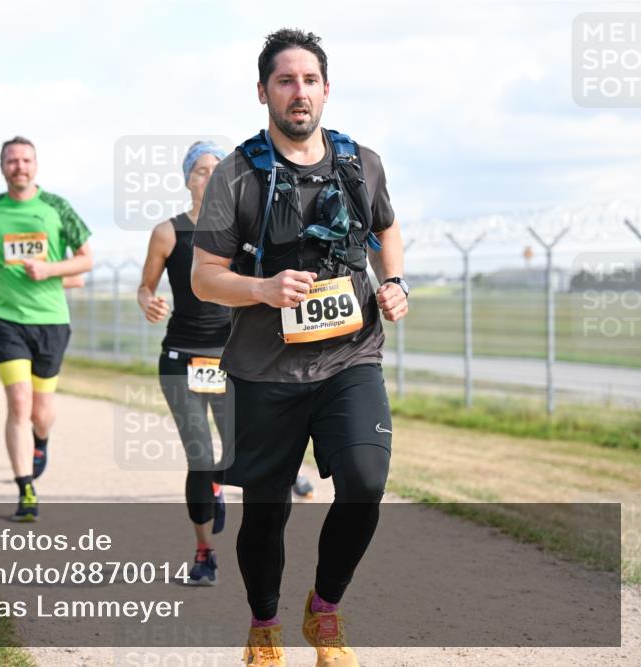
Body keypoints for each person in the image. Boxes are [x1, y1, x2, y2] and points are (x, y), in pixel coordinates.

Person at [191, 30, 408, 667]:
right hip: (265, 371)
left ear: (326, 90)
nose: (299, 92)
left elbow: (387, 233)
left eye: (309, 80)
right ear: (263, 92)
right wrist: (261, 286)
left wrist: (392, 282)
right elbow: (206, 275)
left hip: (350, 357)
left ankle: (326, 611)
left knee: (366, 484)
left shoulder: (361, 163)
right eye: (285, 81)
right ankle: (264, 625)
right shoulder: (235, 174)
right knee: (266, 514)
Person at [0, 136, 93, 522]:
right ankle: (25, 489)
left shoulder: (57, 207)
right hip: (6, 317)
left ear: (35, 165)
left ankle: (41, 440)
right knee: (19, 403)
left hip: (51, 320)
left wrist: (50, 270)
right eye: (11, 161)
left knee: (42, 411)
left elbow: (86, 260)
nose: (18, 166)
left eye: (25, 160)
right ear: (1, 166)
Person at [137, 141, 231, 585]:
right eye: (201, 171)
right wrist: (148, 303)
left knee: (239, 453)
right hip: (181, 358)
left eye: (218, 170)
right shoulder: (168, 232)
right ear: (188, 179)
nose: (209, 178)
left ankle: (216, 485)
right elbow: (145, 287)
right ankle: (204, 553)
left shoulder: (244, 230)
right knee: (200, 454)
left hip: (233, 361)